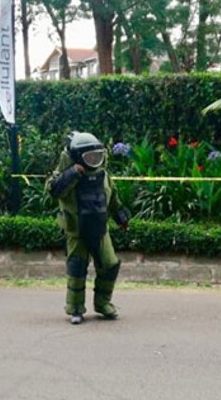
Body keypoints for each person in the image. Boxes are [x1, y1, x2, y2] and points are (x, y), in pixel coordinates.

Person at [46, 131, 130, 325]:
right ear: (76, 156)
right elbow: (53, 190)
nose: (94, 160)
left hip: (100, 230)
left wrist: (121, 218)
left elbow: (114, 200)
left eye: (97, 156)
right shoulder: (69, 175)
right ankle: (75, 309)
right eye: (89, 157)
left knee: (110, 265)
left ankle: (103, 304)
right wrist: (72, 173)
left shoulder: (103, 176)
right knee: (77, 270)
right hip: (76, 232)